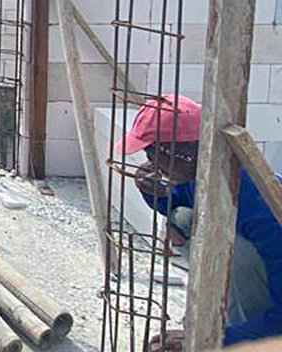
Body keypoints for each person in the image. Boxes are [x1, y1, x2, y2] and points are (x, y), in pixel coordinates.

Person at [117, 94, 282, 349]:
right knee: (181, 219)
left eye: (151, 151)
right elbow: (177, 201)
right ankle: (226, 313)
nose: (150, 162)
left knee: (238, 251)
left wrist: (211, 339)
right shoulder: (205, 168)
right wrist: (153, 193)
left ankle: (245, 327)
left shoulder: (259, 208)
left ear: (179, 153)